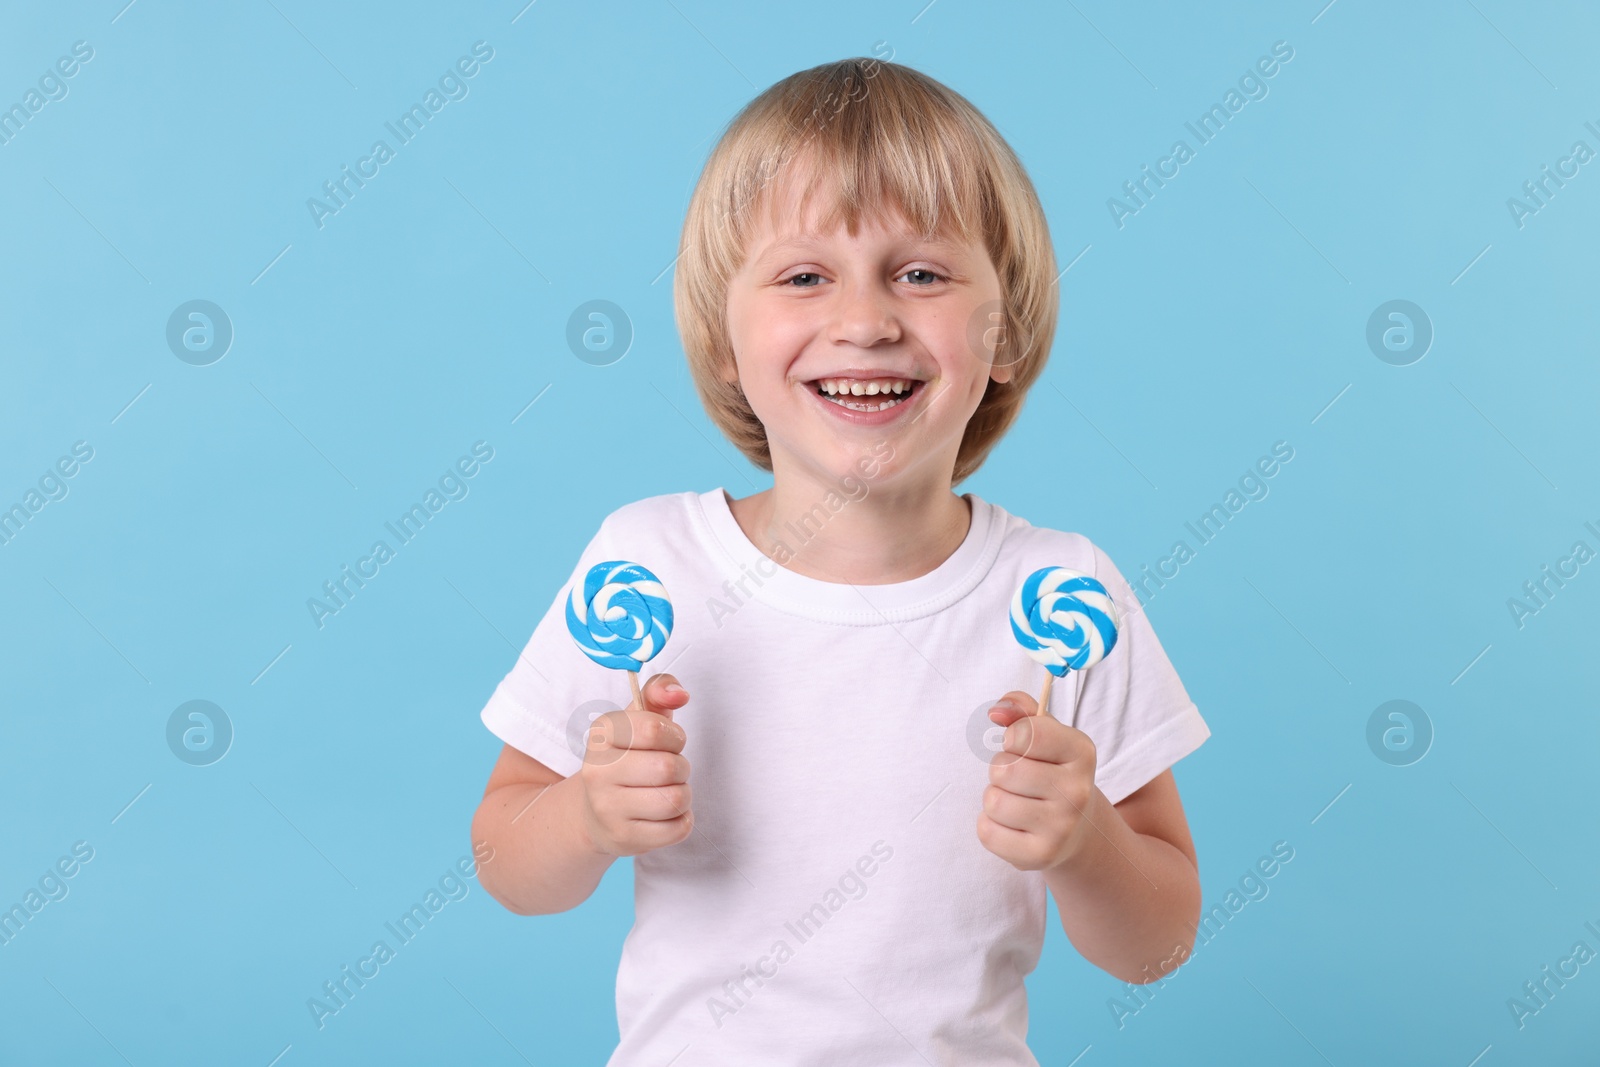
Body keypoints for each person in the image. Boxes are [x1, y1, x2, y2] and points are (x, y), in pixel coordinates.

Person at [470, 55, 1210, 1066]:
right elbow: (506, 863)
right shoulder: (645, 566)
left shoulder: (1061, 594)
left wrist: (1088, 843)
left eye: (921, 272)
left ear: (1005, 329)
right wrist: (586, 815)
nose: (865, 321)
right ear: (725, 339)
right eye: (804, 275)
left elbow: (1157, 943)